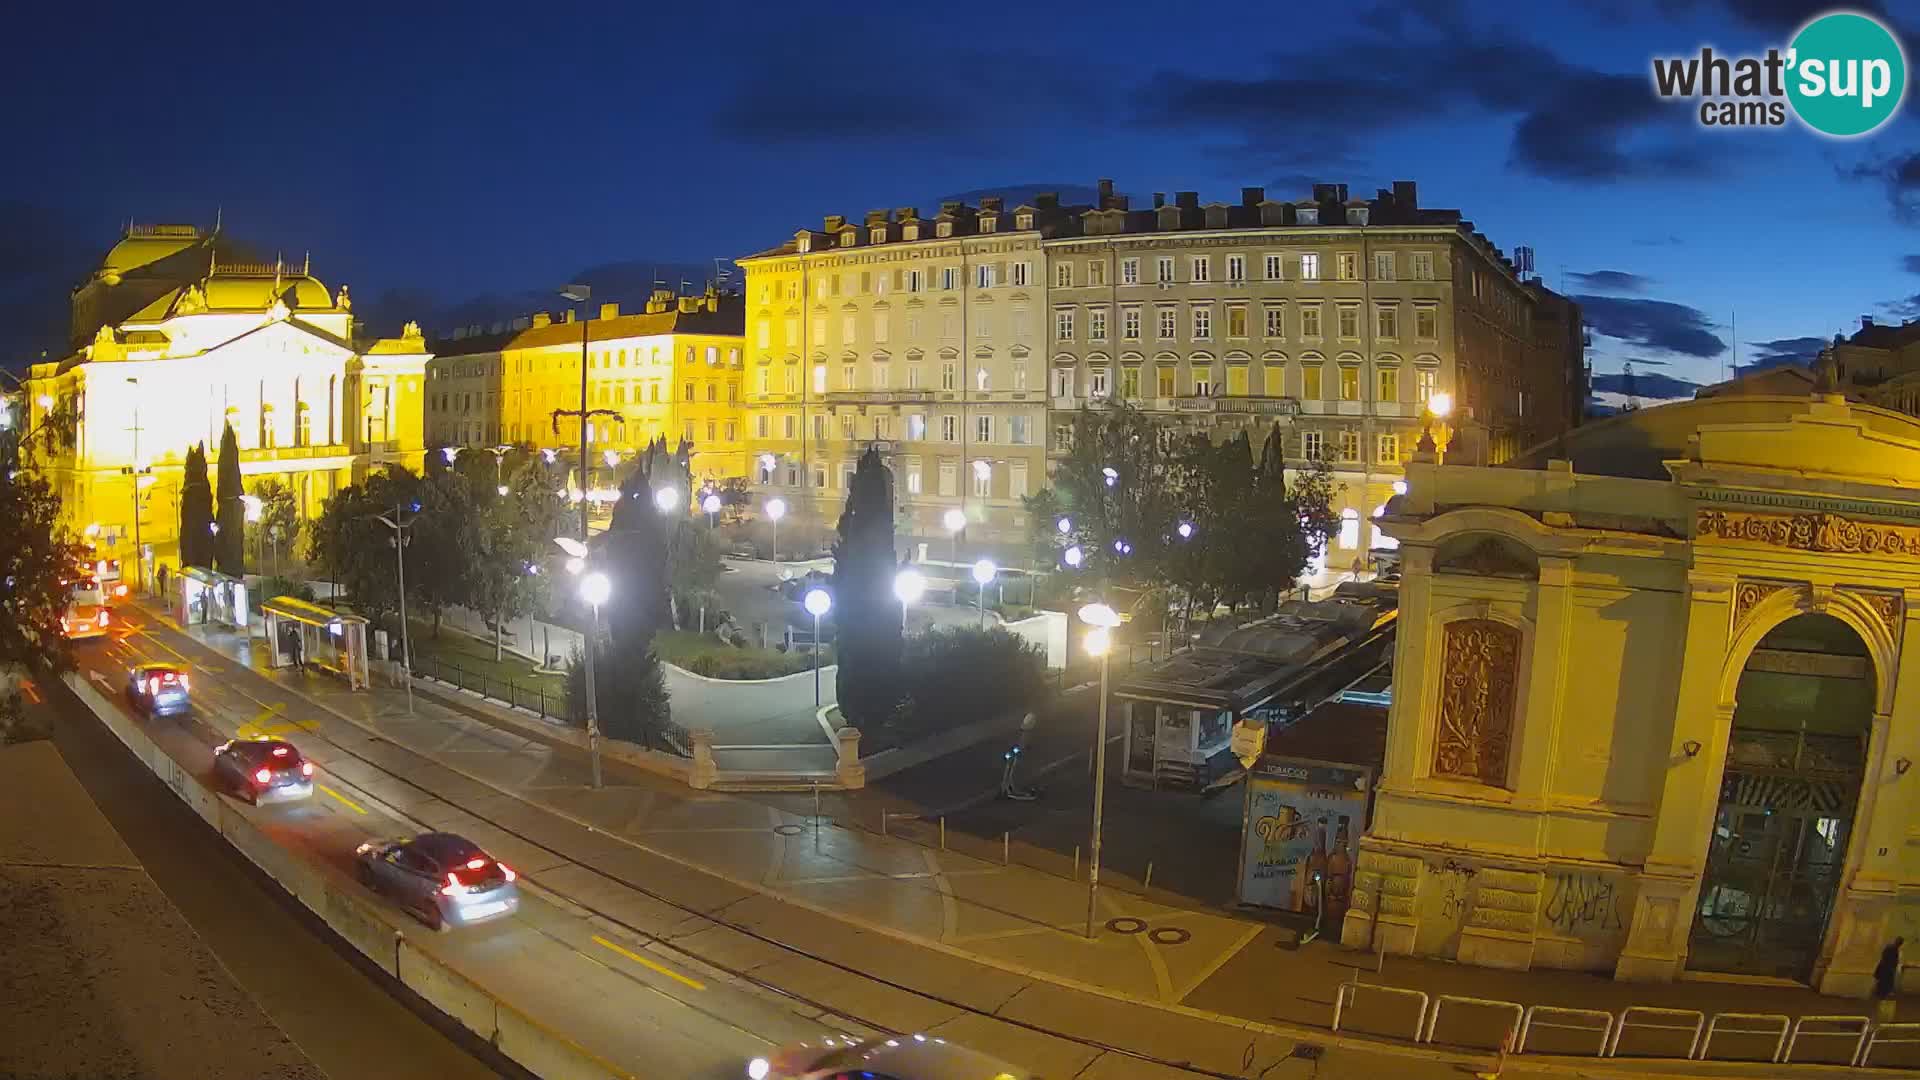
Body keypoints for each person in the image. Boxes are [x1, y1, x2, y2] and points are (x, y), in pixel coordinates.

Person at [1877, 937, 1905, 1023]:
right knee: (1884, 992)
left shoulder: (1889, 947)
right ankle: (1881, 1012)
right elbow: (1895, 963)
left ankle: (1880, 1006)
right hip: (1888, 973)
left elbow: (1883, 958)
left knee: (1881, 991)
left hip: (1883, 972)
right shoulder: (1895, 951)